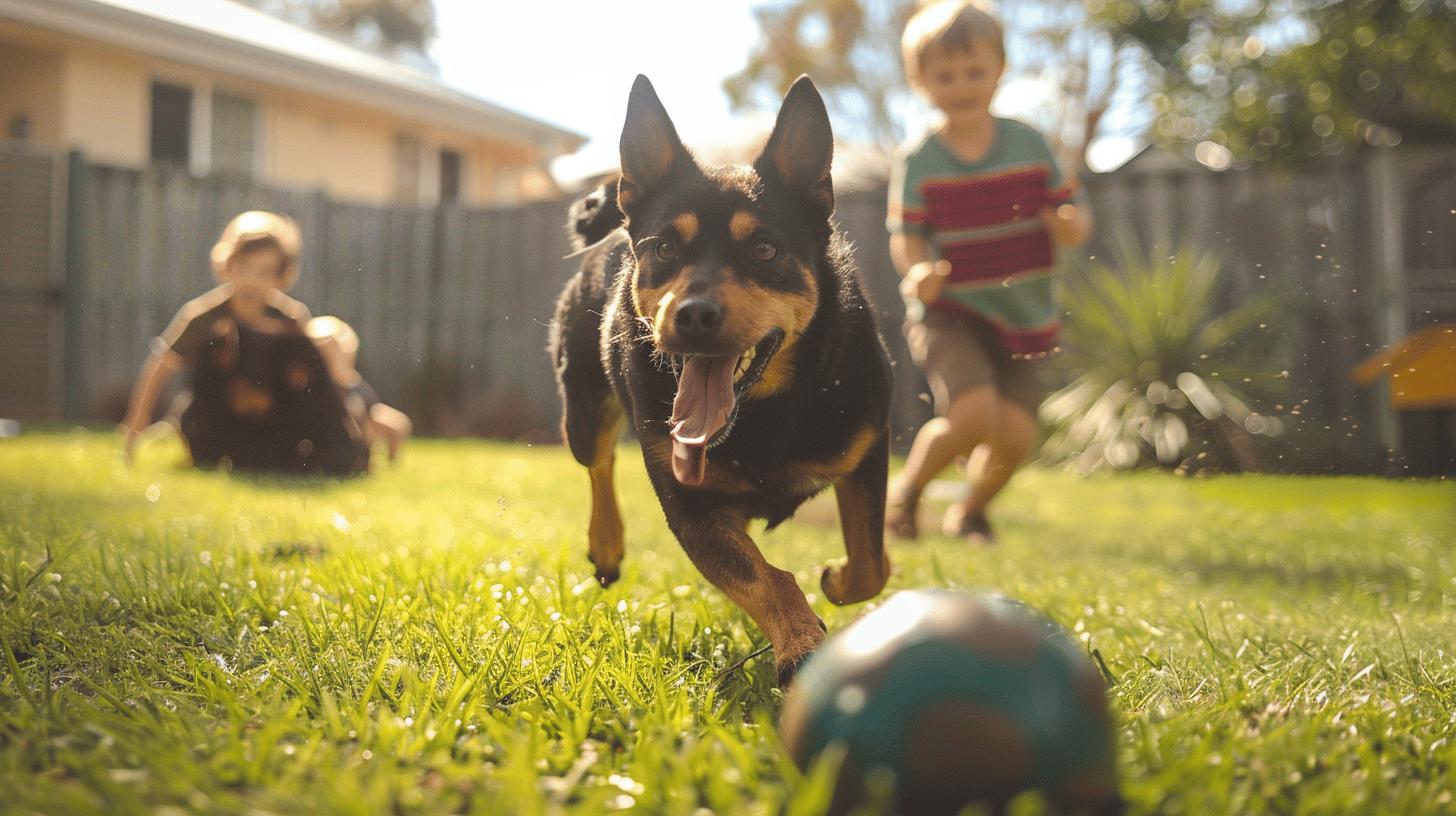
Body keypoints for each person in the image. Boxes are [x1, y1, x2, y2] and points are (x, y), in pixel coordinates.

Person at [885, 0, 1092, 543]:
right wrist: (919, 271)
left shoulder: (1030, 144)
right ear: (920, 81)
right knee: (974, 414)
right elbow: (905, 234)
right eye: (945, 76)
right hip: (953, 309)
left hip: (1025, 314)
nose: (961, 86)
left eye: (974, 71)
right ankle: (905, 495)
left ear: (1000, 69)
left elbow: (1074, 218)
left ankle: (971, 511)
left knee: (1016, 437)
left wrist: (1067, 224)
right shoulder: (921, 158)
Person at [120, 210, 363, 471]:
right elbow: (161, 365)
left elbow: (319, 378)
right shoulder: (203, 317)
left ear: (281, 276)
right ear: (227, 265)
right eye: (244, 267)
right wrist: (138, 419)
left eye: (264, 271)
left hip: (267, 420)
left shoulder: (290, 318)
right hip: (216, 415)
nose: (251, 280)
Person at [306, 315, 412, 462]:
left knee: (398, 423)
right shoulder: (320, 384)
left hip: (365, 413)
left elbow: (370, 404)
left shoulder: (353, 381)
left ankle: (390, 460)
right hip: (341, 421)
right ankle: (362, 455)